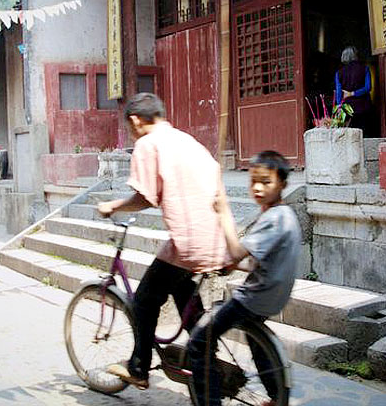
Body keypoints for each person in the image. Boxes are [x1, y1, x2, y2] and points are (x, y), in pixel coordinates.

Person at [98, 92, 230, 390]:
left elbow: (145, 197)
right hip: (215, 237)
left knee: (144, 301)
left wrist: (113, 206)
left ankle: (139, 368)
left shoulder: (148, 144)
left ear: (134, 120)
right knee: (182, 293)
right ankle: (208, 355)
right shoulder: (187, 140)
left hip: (188, 242)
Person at [188, 150, 301, 406]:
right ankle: (275, 396)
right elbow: (256, 261)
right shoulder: (286, 215)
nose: (258, 188)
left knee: (198, 343)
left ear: (282, 184)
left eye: (266, 182)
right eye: (254, 182)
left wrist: (224, 213)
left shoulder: (274, 219)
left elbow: (237, 253)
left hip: (254, 298)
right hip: (272, 296)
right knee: (257, 342)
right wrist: (232, 267)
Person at [334, 46, 376, 136]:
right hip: (364, 106)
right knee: (365, 132)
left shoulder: (339, 73)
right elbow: (368, 88)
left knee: (351, 135)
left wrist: (339, 106)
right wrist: (354, 93)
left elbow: (338, 94)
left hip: (348, 109)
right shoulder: (365, 69)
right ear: (356, 56)